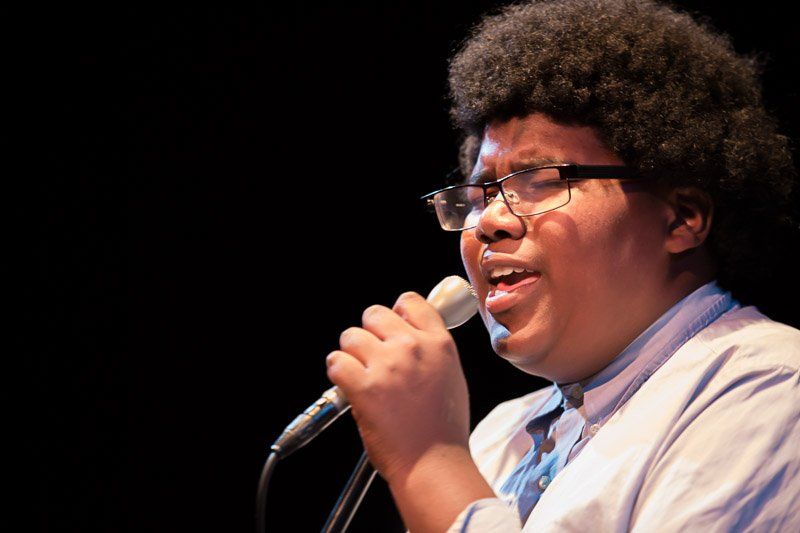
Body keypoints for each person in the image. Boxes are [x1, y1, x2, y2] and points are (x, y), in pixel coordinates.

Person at [325, 0, 800, 531]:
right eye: (480, 196)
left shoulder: (770, 389)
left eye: (542, 181)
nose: (490, 222)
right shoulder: (498, 437)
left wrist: (430, 462)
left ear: (681, 218)